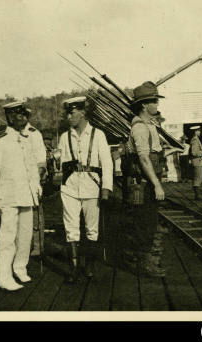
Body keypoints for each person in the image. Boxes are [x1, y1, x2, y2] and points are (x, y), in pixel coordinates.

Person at [0, 102, 42, 291]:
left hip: (26, 195)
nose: (23, 119)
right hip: (8, 197)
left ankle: (20, 267)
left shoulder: (26, 140)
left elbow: (32, 168)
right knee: (7, 237)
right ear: (9, 117)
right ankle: (4, 277)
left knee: (25, 236)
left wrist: (37, 187)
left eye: (24, 116)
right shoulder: (0, 142)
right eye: (18, 116)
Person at [58, 96, 113, 283]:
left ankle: (89, 265)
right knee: (71, 229)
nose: (68, 117)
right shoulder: (65, 136)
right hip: (70, 188)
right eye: (67, 113)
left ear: (82, 112)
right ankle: (73, 268)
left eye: (72, 113)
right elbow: (62, 163)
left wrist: (106, 188)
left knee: (92, 230)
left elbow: (107, 163)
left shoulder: (98, 135)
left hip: (92, 187)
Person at [121, 82, 167, 277]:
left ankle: (143, 260)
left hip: (147, 181)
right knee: (145, 223)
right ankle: (144, 265)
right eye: (153, 101)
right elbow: (144, 158)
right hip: (143, 183)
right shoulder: (140, 127)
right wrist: (156, 185)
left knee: (148, 221)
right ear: (143, 105)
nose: (157, 104)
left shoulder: (149, 125)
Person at [21, 106, 47, 258]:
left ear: (27, 117)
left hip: (32, 179)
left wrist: (37, 180)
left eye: (23, 116)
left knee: (36, 214)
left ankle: (38, 245)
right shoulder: (11, 134)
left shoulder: (34, 134)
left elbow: (41, 161)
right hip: (17, 180)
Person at [189, 126, 202, 201]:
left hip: (198, 161)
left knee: (198, 179)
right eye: (198, 131)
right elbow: (194, 153)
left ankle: (197, 196)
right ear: (195, 132)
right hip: (198, 162)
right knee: (197, 179)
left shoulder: (196, 140)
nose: (200, 132)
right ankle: (197, 196)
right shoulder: (195, 140)